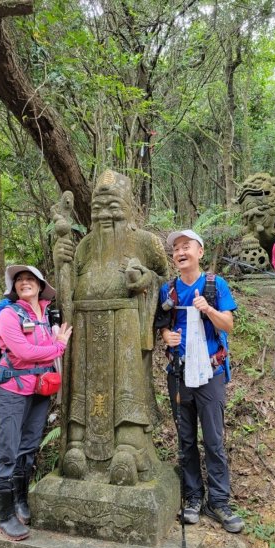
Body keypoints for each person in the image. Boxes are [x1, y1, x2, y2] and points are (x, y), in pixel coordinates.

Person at [53, 169, 169, 484]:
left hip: (126, 326)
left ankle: (129, 446)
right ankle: (78, 444)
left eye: (113, 206)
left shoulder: (146, 241)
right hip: (86, 326)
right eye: (98, 208)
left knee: (126, 382)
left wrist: (144, 278)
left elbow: (164, 279)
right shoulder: (85, 246)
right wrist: (60, 263)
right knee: (84, 383)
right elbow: (66, 292)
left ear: (129, 207)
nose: (106, 214)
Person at [158, 229, 243, 534]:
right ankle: (193, 496)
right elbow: (162, 329)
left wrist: (208, 310)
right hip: (179, 374)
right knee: (185, 439)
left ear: (200, 251)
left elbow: (229, 325)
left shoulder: (214, 284)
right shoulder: (167, 290)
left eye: (186, 247)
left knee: (214, 439)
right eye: (176, 249)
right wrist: (167, 336)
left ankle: (218, 501)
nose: (180, 252)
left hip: (211, 373)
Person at [0, 265, 72, 541]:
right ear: (14, 289)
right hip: (10, 389)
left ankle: (20, 501)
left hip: (39, 390)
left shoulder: (48, 315)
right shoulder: (8, 314)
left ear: (40, 285)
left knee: (27, 447)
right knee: (7, 451)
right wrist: (58, 346)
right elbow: (23, 352)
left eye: (30, 279)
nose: (24, 283)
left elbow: (42, 355)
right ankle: (5, 516)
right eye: (19, 280)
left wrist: (54, 343)